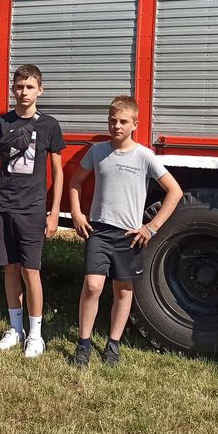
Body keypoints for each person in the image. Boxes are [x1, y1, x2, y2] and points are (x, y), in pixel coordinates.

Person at [67, 96, 183, 368]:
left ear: (135, 125)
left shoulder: (144, 156)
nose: (116, 126)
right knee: (93, 285)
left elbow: (175, 192)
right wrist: (77, 214)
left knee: (123, 289)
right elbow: (75, 182)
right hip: (99, 230)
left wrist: (151, 228)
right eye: (112, 120)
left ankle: (113, 345)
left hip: (128, 236)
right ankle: (83, 344)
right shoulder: (97, 152)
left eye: (123, 121)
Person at [0, 64, 65, 358]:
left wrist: (54, 212)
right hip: (5, 206)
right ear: (12, 89)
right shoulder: (0, 124)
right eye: (19, 87)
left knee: (31, 271)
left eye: (30, 87)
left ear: (40, 90)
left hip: (33, 210)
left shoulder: (50, 126)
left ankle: (35, 335)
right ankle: (15, 329)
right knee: (10, 268)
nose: (24, 92)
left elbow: (58, 172)